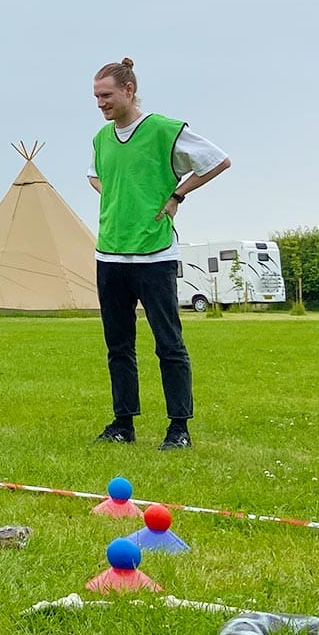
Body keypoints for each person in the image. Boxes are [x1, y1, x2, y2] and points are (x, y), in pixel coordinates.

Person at [87, 58, 230, 450]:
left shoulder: (164, 130)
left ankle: (178, 428)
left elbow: (218, 160)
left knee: (168, 343)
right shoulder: (101, 139)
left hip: (154, 256)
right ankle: (122, 424)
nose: (100, 103)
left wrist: (177, 195)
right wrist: (119, 202)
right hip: (110, 255)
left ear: (129, 90)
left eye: (107, 95)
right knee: (118, 346)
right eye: (96, 97)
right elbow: (96, 175)